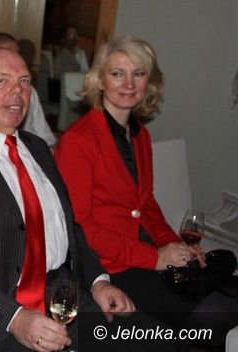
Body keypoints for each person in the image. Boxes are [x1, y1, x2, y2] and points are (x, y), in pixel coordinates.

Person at [0, 48, 184, 351]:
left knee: (164, 344)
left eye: (24, 82)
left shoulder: (38, 149)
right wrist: (14, 319)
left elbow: (71, 226)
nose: (17, 91)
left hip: (63, 297)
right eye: (2, 80)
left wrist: (98, 282)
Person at [55, 36, 237, 350]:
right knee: (220, 316)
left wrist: (174, 244)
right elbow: (80, 228)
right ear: (100, 80)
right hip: (110, 267)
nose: (128, 84)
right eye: (117, 74)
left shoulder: (140, 135)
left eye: (138, 73)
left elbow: (146, 203)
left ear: (148, 82)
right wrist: (155, 258)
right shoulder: (78, 141)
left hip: (145, 254)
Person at [0, 32, 58, 148]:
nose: (14, 60)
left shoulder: (29, 91)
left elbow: (46, 136)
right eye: (6, 55)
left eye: (18, 54)